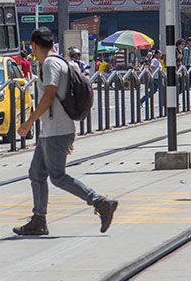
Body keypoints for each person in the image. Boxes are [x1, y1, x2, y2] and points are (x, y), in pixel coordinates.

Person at [13, 27, 118, 236]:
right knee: (36, 173)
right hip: (53, 131)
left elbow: (49, 96)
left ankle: (99, 202)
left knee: (57, 177)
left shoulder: (50, 64)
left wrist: (28, 122)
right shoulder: (60, 61)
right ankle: (39, 219)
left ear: (33, 46)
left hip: (56, 130)